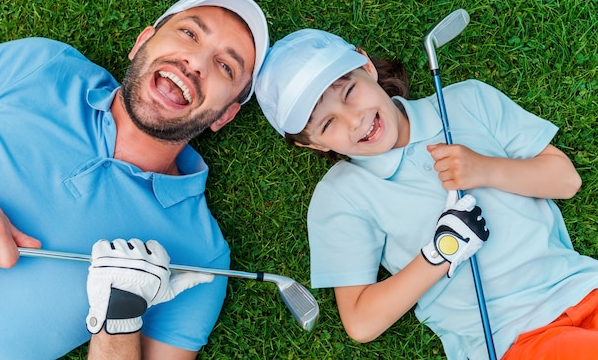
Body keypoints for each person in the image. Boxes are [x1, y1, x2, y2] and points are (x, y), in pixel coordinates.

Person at [254, 28, 598, 359]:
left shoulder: (466, 100)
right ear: (309, 143)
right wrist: (442, 250)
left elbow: (566, 180)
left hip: (585, 287)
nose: (354, 121)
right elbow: (360, 322)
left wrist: (485, 169)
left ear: (365, 66)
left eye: (348, 92)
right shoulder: (340, 195)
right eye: (327, 124)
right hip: (515, 338)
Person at [0, 0, 269, 359]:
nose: (196, 63)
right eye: (190, 33)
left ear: (224, 115)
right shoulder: (41, 66)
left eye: (226, 67)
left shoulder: (200, 258)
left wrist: (120, 322)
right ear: (142, 42)